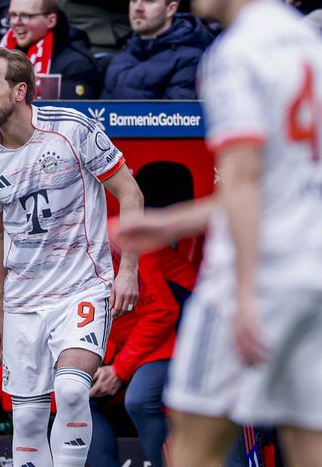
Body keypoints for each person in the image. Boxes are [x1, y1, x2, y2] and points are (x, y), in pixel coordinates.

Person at [117, 0, 322, 465]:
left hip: (252, 279)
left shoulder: (238, 50)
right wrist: (175, 221)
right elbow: (280, 184)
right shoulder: (309, 44)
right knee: (307, 440)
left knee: (192, 440)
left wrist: (246, 293)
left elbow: (244, 181)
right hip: (311, 273)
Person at [0, 47, 143, 466]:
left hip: (81, 286)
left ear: (20, 91)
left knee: (71, 390)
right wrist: (3, 307)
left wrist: (128, 271)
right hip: (23, 299)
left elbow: (130, 193)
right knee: (27, 418)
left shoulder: (71, 129)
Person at [88, 237, 196, 467]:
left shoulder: (124, 239)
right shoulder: (66, 251)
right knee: (79, 397)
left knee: (140, 399)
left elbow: (163, 311)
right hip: (139, 341)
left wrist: (119, 369)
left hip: (184, 331)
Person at [101, 0, 212, 100]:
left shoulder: (189, 59)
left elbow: (176, 114)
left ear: (170, 9)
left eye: (149, 1)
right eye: (134, 1)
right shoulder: (123, 55)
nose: (137, 8)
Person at [1, 0, 103, 99]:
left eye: (26, 16)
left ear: (51, 21)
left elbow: (71, 109)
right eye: (13, 15)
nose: (16, 22)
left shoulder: (76, 65)